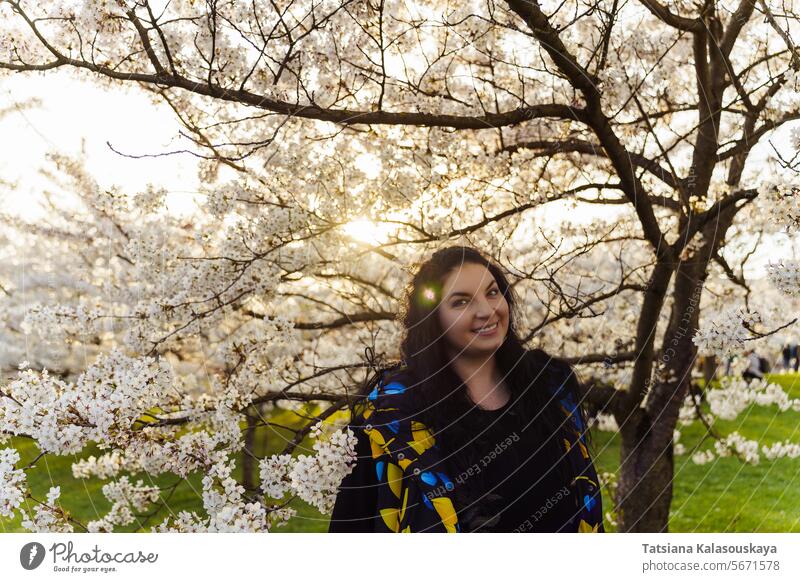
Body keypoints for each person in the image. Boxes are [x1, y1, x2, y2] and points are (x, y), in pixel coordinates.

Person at [327, 245, 604, 533]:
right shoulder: (392, 417)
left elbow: (585, 495)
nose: (486, 311)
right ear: (433, 317)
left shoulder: (549, 385)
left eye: (492, 292)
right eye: (461, 302)